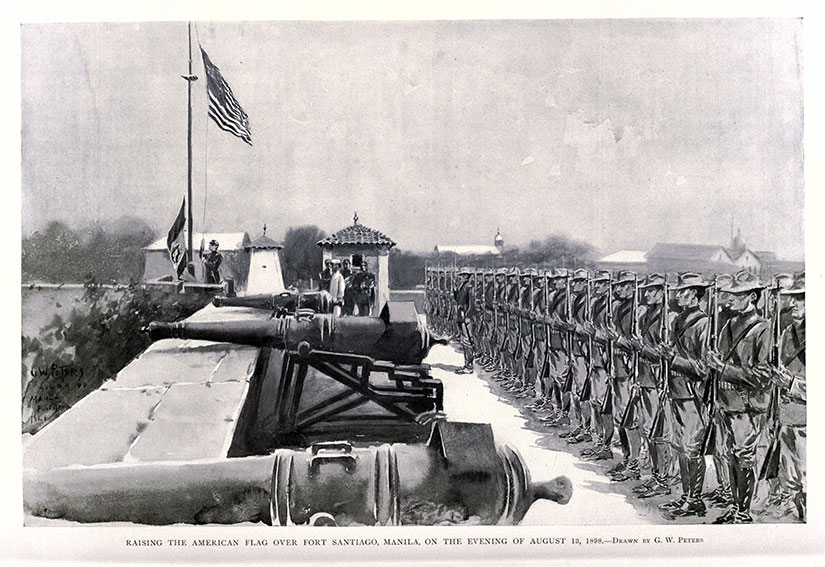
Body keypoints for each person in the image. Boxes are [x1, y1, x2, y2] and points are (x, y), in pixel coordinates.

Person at [707, 270, 771, 524]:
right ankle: (735, 507)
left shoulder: (763, 328)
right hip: (726, 402)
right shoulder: (727, 324)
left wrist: (722, 368)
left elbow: (762, 376)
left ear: (752, 297)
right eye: (730, 294)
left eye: (738, 294)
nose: (730, 299)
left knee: (744, 459)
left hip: (747, 406)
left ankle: (743, 513)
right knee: (731, 457)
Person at [658, 273, 711, 520]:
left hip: (693, 396)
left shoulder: (704, 324)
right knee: (679, 447)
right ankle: (687, 495)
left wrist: (673, 359)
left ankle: (695, 500)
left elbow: (702, 368)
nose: (678, 295)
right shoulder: (678, 320)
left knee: (691, 450)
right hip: (676, 391)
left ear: (696, 294)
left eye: (684, 291)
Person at [454, 268, 476, 374]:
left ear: (467, 276)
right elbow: (457, 300)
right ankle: (466, 364)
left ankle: (469, 366)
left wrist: (467, 316)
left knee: (467, 341)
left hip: (465, 316)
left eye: (463, 275)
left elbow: (471, 304)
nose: (461, 277)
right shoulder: (461, 286)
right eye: (460, 275)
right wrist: (455, 291)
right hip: (460, 315)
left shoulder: (469, 287)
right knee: (464, 341)